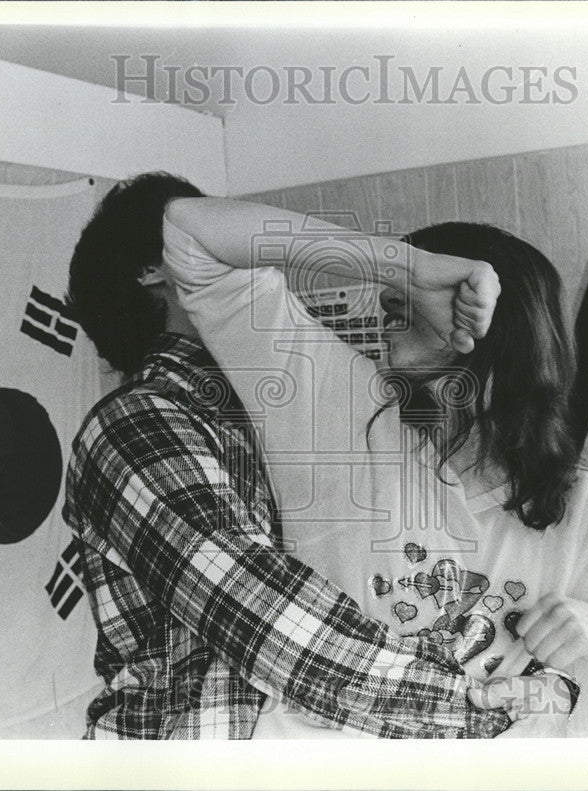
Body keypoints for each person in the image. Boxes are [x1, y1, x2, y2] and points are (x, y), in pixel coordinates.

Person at [156, 192, 588, 737]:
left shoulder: (583, 514)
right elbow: (188, 231)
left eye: (428, 299)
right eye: (396, 301)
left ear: (498, 326)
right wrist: (409, 266)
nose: (386, 315)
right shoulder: (333, 414)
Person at [62, 173, 530, 739]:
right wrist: (492, 706)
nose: (262, 255)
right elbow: (275, 628)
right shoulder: (134, 425)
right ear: (155, 269)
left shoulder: (274, 409)